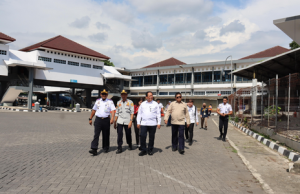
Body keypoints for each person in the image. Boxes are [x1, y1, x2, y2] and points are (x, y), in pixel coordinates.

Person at [89, 89, 116, 155]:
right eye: (102, 94)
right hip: (98, 120)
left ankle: (105, 147)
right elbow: (94, 110)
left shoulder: (110, 101)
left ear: (107, 95)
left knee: (106, 135)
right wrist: (90, 118)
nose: (104, 95)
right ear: (100, 94)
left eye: (105, 94)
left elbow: (113, 110)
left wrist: (112, 118)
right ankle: (94, 149)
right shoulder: (97, 101)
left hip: (106, 120)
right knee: (96, 135)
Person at [137, 91, 161, 156]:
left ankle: (150, 150)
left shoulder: (155, 104)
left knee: (151, 137)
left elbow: (158, 114)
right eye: (149, 95)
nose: (151, 96)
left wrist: (159, 123)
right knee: (142, 136)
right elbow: (139, 114)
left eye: (151, 95)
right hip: (144, 123)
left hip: (153, 123)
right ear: (146, 97)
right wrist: (138, 122)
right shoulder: (143, 104)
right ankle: (143, 150)